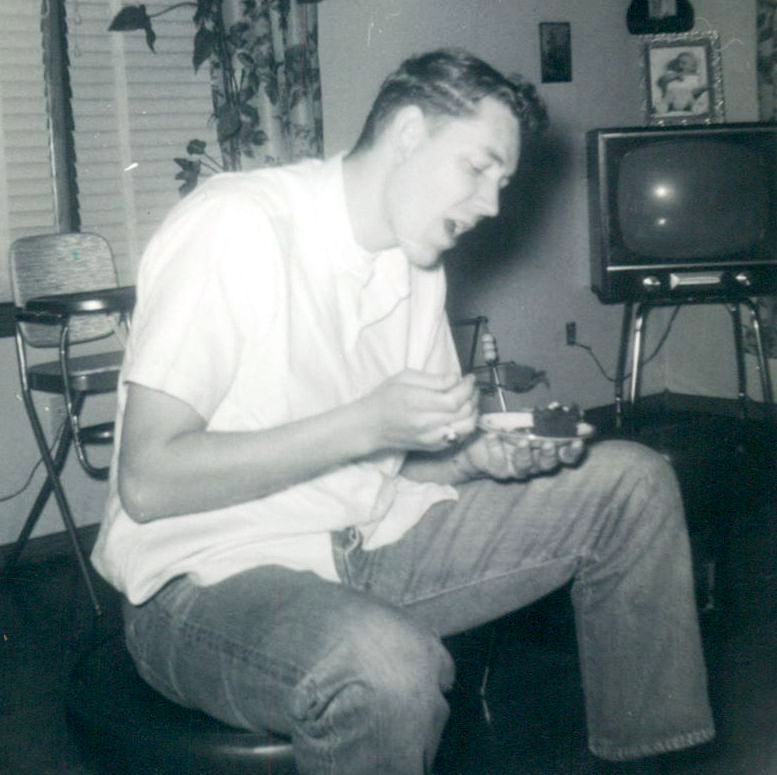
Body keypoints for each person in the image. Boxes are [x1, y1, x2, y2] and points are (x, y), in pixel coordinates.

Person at [91, 48, 715, 774]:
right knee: (387, 667)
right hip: (206, 582)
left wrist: (474, 457)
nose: (491, 205)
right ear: (409, 132)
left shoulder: (415, 265)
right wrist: (366, 423)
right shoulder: (236, 226)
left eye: (502, 183)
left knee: (632, 482)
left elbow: (400, 460)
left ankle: (648, 760)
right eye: (477, 168)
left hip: (368, 540)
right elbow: (150, 480)